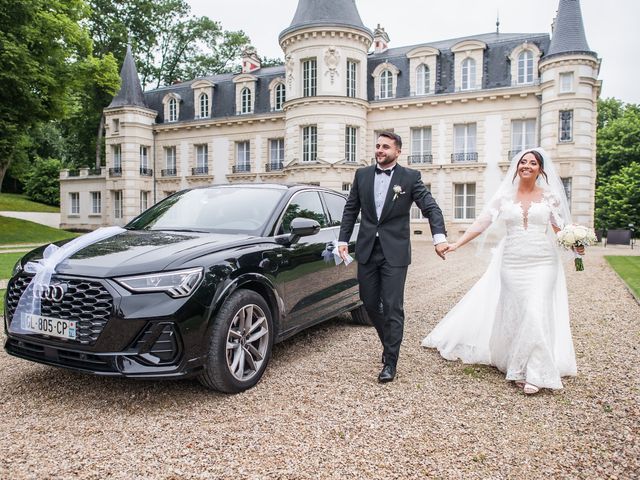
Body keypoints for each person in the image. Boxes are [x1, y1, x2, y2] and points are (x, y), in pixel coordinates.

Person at [422, 148, 582, 394]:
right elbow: (482, 222)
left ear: (540, 169)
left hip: (542, 261)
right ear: (517, 167)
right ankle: (516, 361)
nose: (526, 166)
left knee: (535, 310)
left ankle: (534, 371)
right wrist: (456, 244)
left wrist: (575, 244)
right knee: (517, 312)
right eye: (522, 162)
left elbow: (559, 228)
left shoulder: (550, 197)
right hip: (512, 262)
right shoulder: (504, 196)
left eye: (532, 163)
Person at [338, 131, 448, 383]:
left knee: (392, 306)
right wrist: (343, 240)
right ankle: (389, 342)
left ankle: (390, 361)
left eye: (386, 147)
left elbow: (430, 207)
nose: (380, 150)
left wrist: (439, 237)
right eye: (377, 145)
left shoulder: (409, 178)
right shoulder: (362, 175)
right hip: (366, 249)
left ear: (398, 152)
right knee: (367, 301)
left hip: (395, 252)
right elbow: (351, 208)